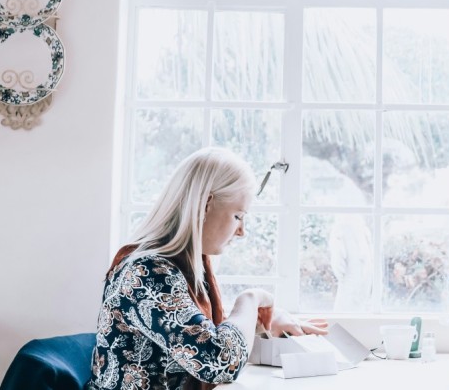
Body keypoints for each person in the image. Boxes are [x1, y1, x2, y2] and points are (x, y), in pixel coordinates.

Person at [86, 147, 327, 390]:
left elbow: (193, 336)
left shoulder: (177, 267)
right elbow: (219, 363)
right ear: (205, 205)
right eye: (237, 216)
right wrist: (250, 300)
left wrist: (262, 324)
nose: (242, 231)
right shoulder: (147, 273)